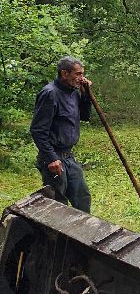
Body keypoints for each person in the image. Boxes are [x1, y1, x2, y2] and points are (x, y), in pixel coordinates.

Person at [30, 56, 93, 212]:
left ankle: (82, 235)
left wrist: (86, 94)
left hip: (68, 156)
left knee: (82, 198)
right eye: (78, 74)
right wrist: (51, 158)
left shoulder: (73, 92)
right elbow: (37, 130)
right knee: (58, 204)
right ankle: (54, 236)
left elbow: (84, 116)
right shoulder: (49, 94)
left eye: (82, 74)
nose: (81, 78)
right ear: (64, 73)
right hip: (53, 158)